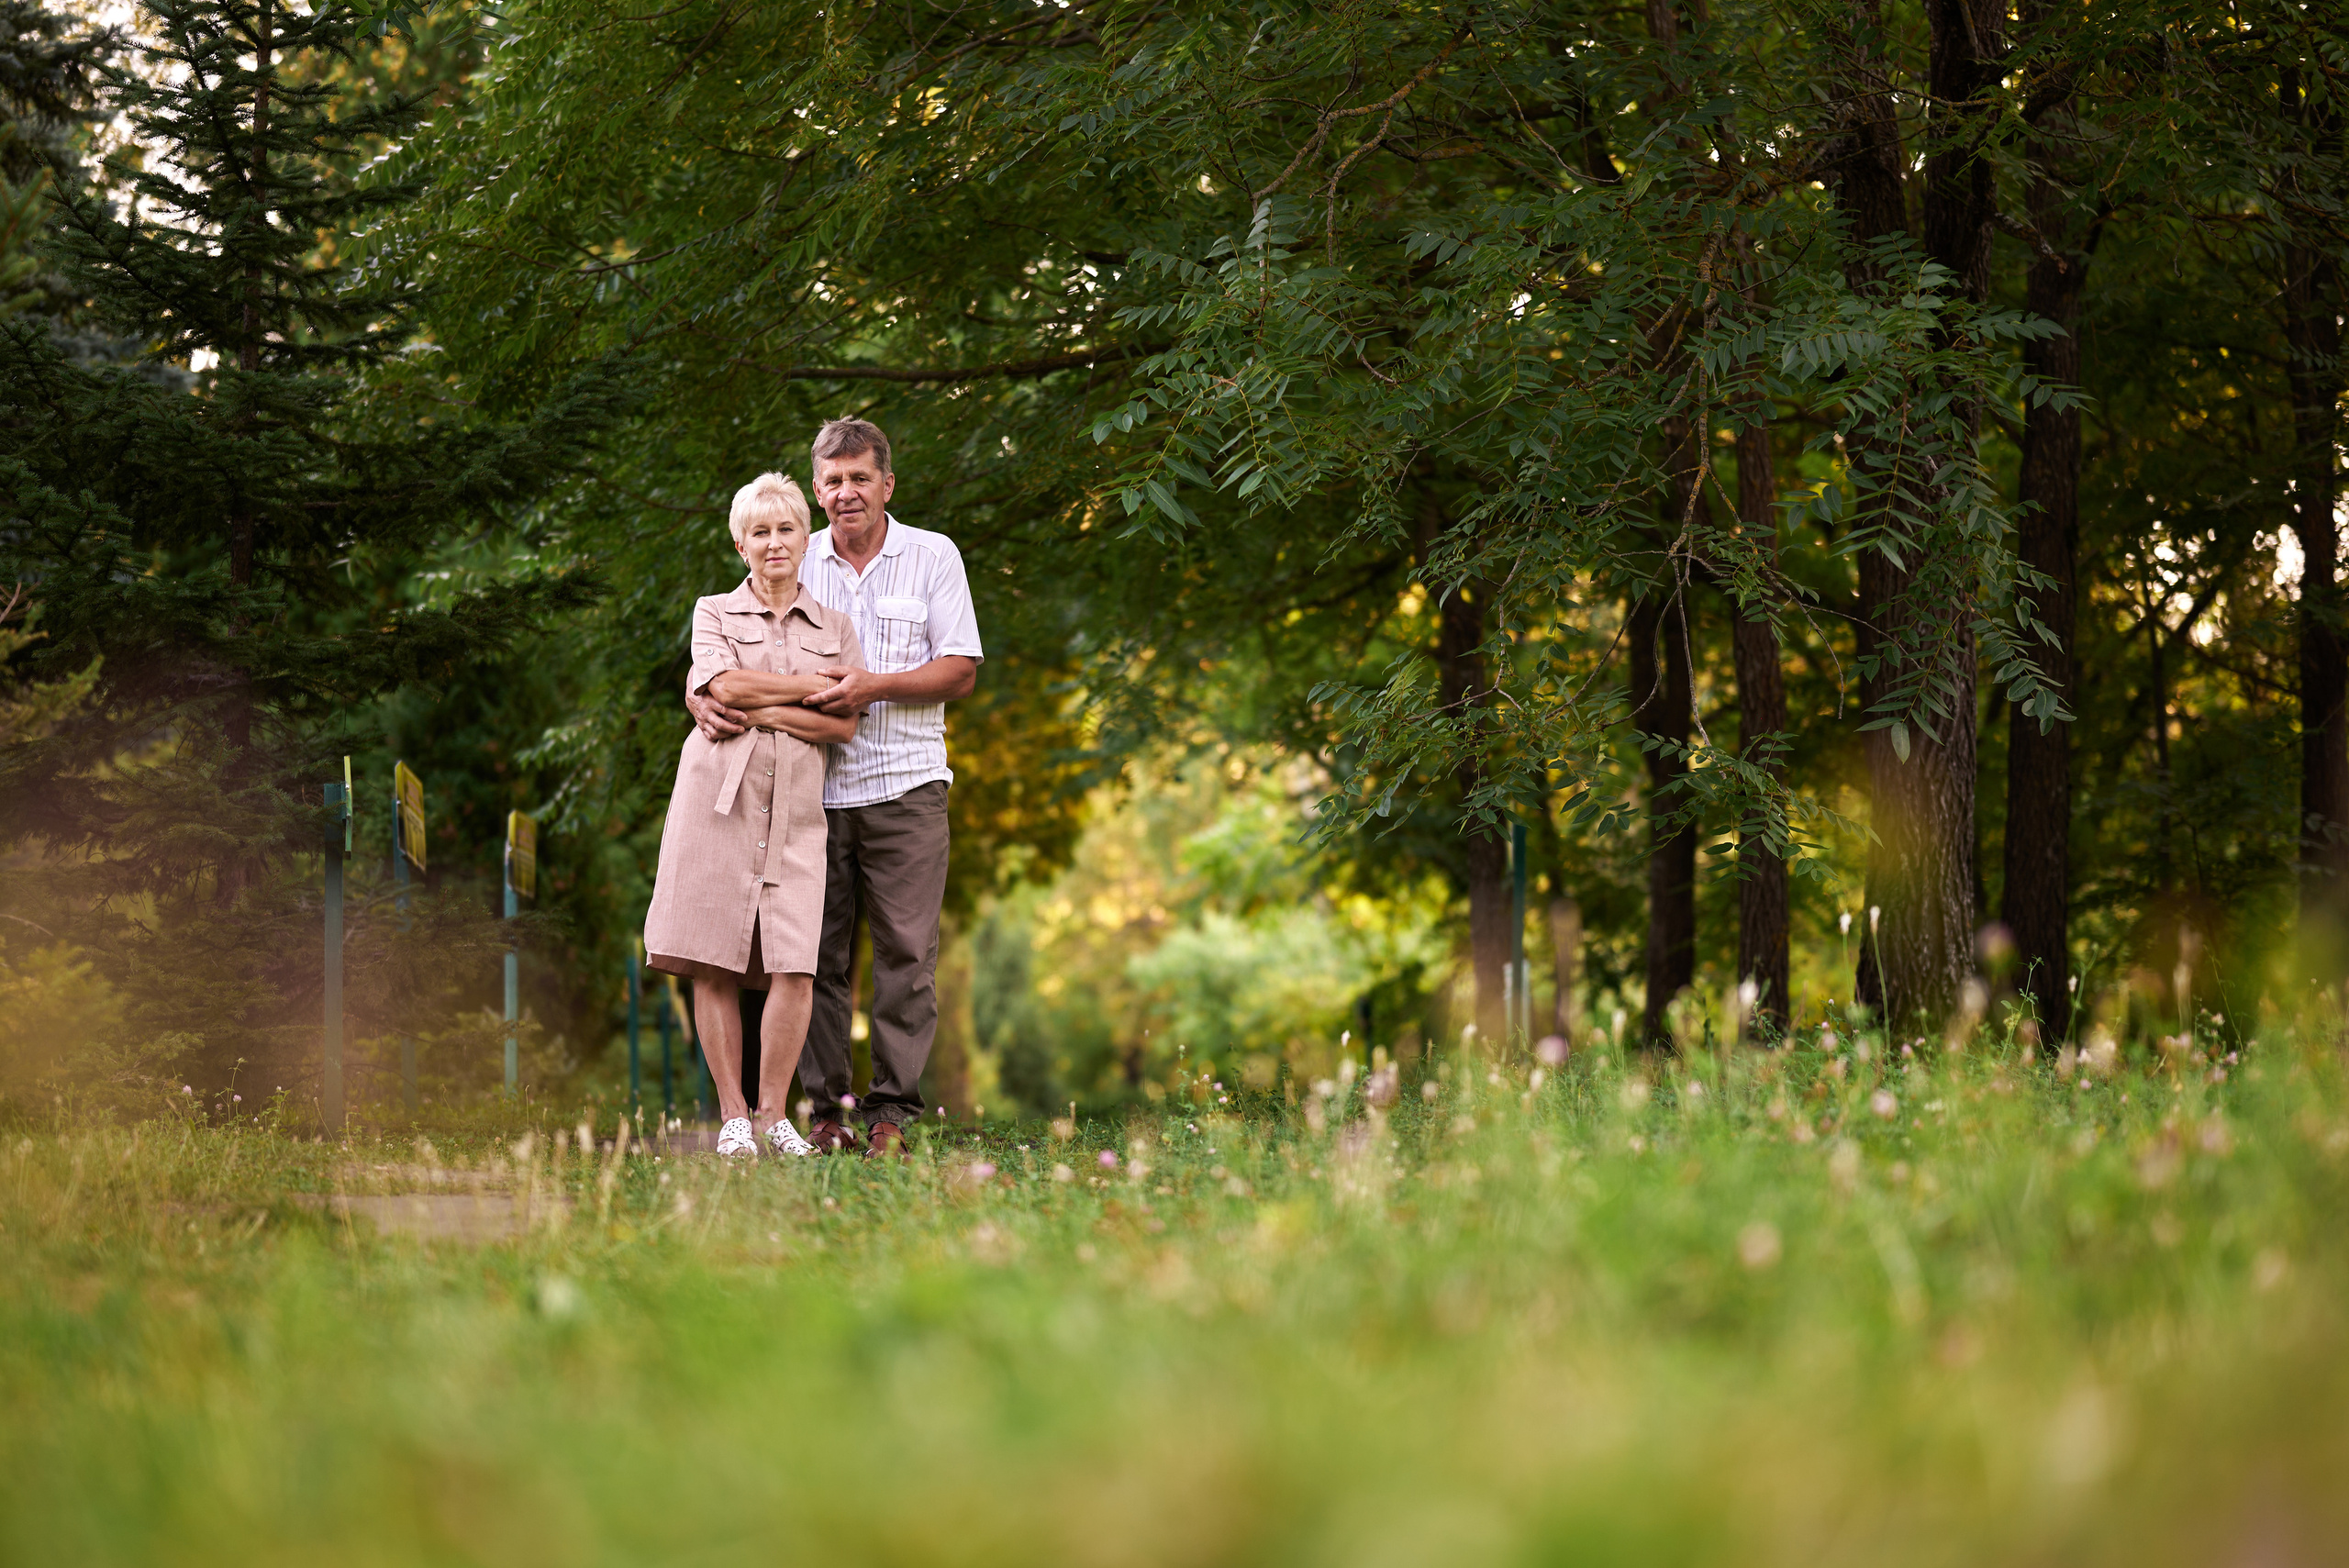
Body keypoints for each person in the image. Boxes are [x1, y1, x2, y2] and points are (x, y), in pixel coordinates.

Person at [686, 418, 980, 1158]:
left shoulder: (932, 555)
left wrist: (871, 686)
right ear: (817, 491)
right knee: (812, 957)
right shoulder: (792, 551)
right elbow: (727, 644)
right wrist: (701, 690)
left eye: (860, 477)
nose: (846, 492)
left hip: (908, 785)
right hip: (806, 792)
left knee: (908, 957)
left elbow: (961, 668)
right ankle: (828, 1112)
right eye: (833, 480)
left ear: (887, 484)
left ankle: (892, 1114)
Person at [645, 473, 864, 1159]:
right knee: (714, 958)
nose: (775, 543)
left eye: (787, 529)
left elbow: (846, 722)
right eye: (761, 532)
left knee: (795, 962)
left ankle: (775, 1115)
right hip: (718, 800)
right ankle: (734, 1115)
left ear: (807, 539)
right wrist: (805, 692)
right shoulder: (712, 611)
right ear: (741, 543)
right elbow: (725, 686)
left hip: (798, 810)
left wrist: (758, 705)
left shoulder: (837, 626)